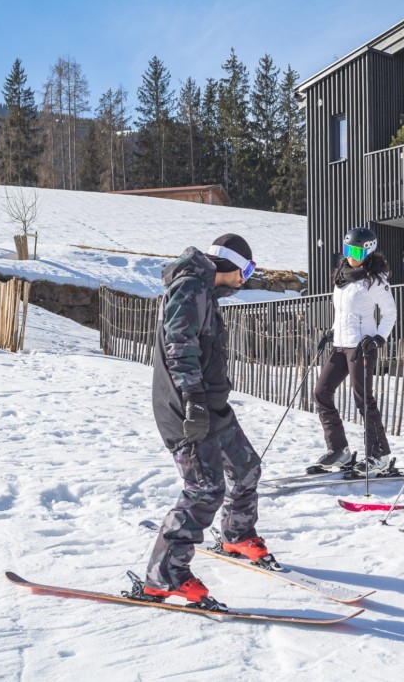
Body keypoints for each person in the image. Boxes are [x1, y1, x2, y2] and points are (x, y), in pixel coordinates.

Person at [143, 233, 270, 603]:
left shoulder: (205, 292)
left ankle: (237, 534)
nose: (247, 277)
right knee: (205, 489)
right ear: (229, 264)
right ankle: (164, 574)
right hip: (186, 409)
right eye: (246, 268)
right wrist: (194, 400)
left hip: (210, 405)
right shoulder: (190, 289)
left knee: (246, 467)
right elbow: (179, 345)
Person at [311, 227, 397, 476]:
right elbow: (344, 312)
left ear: (368, 250)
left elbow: (390, 312)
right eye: (348, 249)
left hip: (362, 346)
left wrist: (379, 338)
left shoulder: (375, 279)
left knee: (363, 400)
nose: (351, 256)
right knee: (321, 392)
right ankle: (339, 450)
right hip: (341, 344)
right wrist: (331, 332)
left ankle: (379, 456)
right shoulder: (342, 277)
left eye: (357, 251)